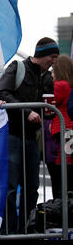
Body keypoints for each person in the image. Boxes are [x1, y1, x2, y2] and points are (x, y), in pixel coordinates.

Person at [0, 37, 60, 234]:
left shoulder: (47, 77)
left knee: (32, 187)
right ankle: (9, 230)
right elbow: (1, 93)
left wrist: (47, 111)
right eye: (52, 56)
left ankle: (27, 229)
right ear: (40, 55)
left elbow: (47, 105)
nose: (54, 61)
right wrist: (26, 112)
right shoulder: (17, 68)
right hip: (12, 135)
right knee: (11, 187)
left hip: (31, 138)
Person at [49, 54, 73, 197]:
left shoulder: (60, 85)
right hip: (68, 130)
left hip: (64, 130)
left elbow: (48, 101)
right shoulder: (69, 84)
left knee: (63, 166)